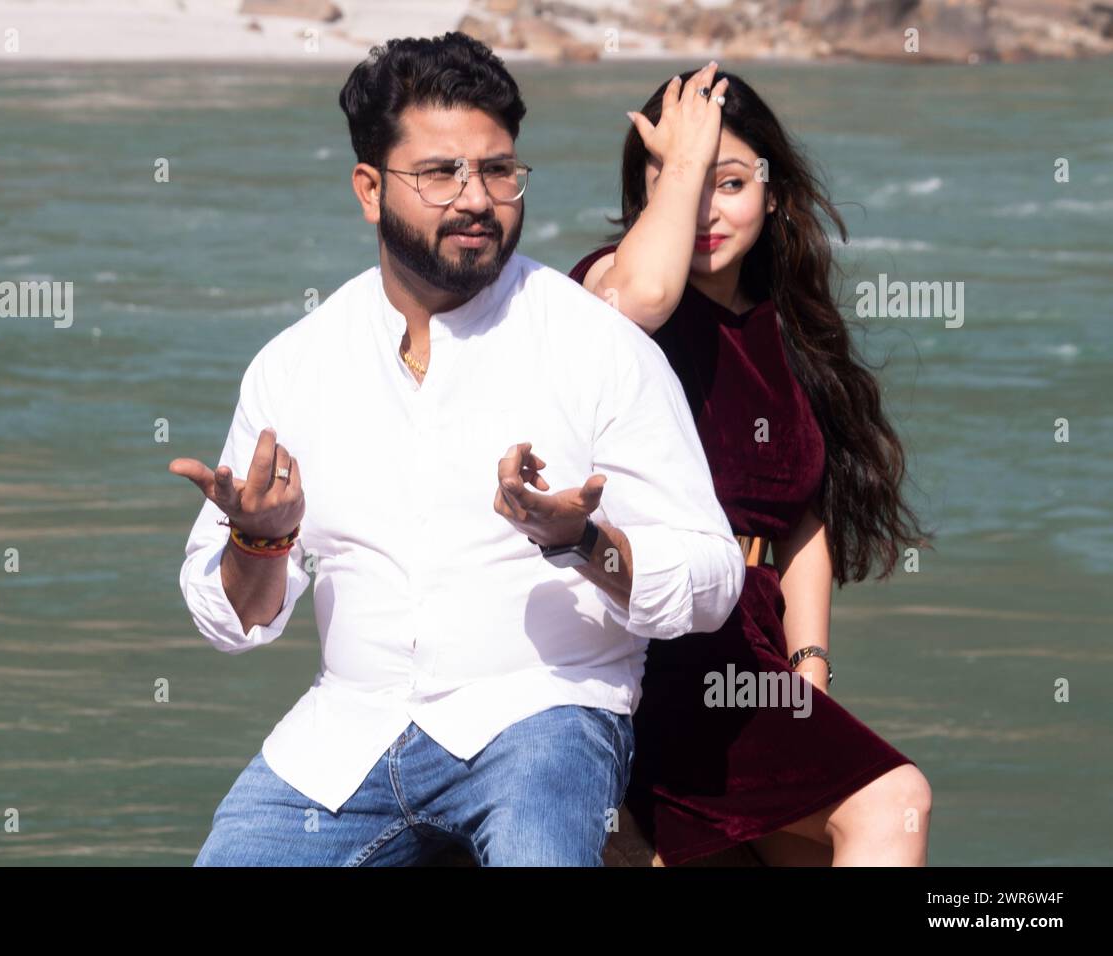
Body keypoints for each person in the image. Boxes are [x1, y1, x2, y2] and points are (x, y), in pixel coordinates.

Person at [169, 33, 745, 867]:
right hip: (344, 737)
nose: (477, 197)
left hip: (540, 720)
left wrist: (581, 543)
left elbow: (713, 580)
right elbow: (236, 621)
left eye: (499, 170)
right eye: (440, 173)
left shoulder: (596, 346)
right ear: (370, 190)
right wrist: (259, 541)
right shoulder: (297, 366)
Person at [570, 61, 934, 866]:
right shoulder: (608, 294)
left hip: (756, 656)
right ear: (646, 199)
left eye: (728, 182)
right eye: (678, 182)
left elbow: (799, 518)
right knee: (894, 801)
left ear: (772, 195)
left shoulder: (786, 328)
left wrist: (809, 667)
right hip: (654, 643)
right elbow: (641, 291)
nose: (704, 208)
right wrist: (687, 163)